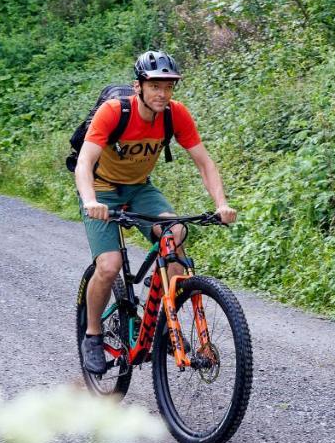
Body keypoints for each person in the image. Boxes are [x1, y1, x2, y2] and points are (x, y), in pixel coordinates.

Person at [74, 50, 236, 374]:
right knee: (109, 265)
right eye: (156, 86)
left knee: (174, 235)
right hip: (102, 187)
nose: (163, 93)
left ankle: (167, 323)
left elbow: (204, 163)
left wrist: (221, 204)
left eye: (169, 86)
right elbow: (84, 163)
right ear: (139, 87)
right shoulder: (113, 113)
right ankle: (92, 335)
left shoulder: (175, 115)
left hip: (139, 188)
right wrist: (91, 201)